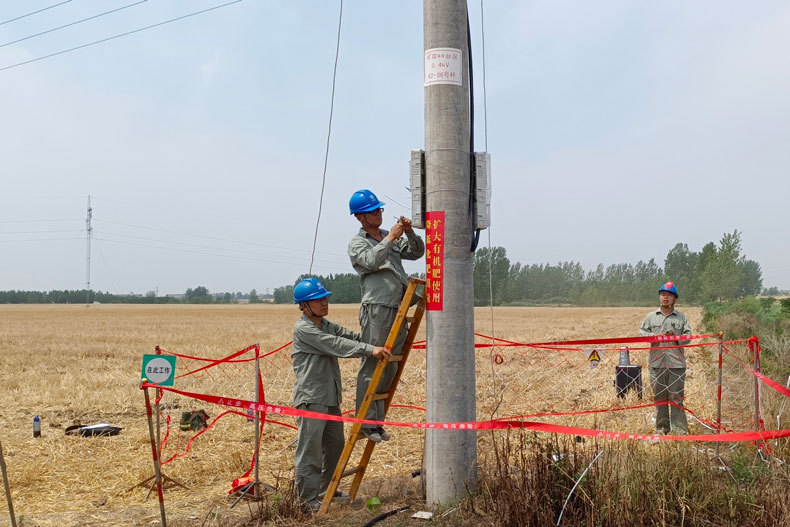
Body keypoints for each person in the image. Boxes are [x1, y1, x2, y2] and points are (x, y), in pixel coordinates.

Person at [291, 277, 391, 511]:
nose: (324, 303)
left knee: (335, 446)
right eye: (318, 300)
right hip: (311, 399)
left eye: (325, 298)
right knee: (310, 451)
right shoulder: (304, 329)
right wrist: (370, 350)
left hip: (330, 398)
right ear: (304, 306)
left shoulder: (325, 324)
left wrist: (377, 340)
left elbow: (349, 337)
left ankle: (327, 491)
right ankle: (307, 500)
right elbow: (336, 345)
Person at [347, 189, 425, 442]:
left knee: (390, 363)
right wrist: (390, 238)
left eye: (379, 210)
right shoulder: (358, 243)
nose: (378, 215)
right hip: (378, 307)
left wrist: (410, 231)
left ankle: (377, 422)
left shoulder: (385, 236)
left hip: (399, 305)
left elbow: (415, 253)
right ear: (360, 217)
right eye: (373, 211)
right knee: (374, 361)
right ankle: (366, 422)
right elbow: (370, 261)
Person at [639, 281, 692, 435]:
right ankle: (662, 429)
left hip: (676, 365)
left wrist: (676, 338)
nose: (665, 297)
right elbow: (642, 334)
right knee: (660, 399)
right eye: (663, 294)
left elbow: (688, 337)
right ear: (659, 298)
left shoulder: (681, 318)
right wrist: (654, 336)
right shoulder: (650, 317)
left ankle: (680, 431)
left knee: (676, 398)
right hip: (657, 364)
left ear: (675, 299)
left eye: (669, 295)